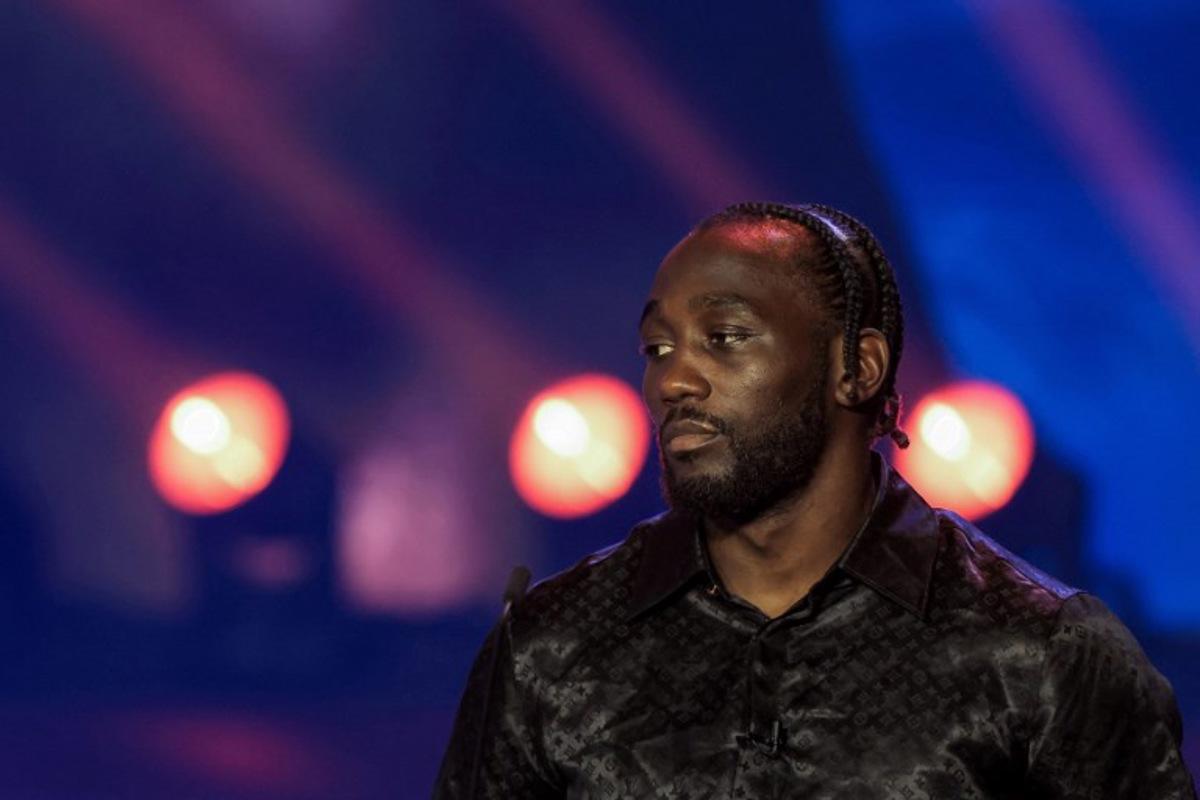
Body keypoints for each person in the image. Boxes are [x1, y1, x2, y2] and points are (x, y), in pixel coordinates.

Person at [433, 202, 1197, 798]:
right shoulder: (549, 645)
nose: (674, 381)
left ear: (857, 368)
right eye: (658, 348)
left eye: (725, 337)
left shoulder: (1044, 654)